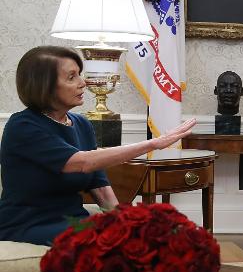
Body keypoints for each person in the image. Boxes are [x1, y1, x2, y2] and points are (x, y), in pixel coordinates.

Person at [0, 46, 196, 245]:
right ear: (44, 86)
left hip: (74, 220)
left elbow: (100, 187)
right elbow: (81, 163)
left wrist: (124, 222)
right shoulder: (22, 126)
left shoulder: (82, 124)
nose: (83, 83)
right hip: (29, 224)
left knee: (151, 232)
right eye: (71, 77)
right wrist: (154, 143)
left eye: (79, 74)